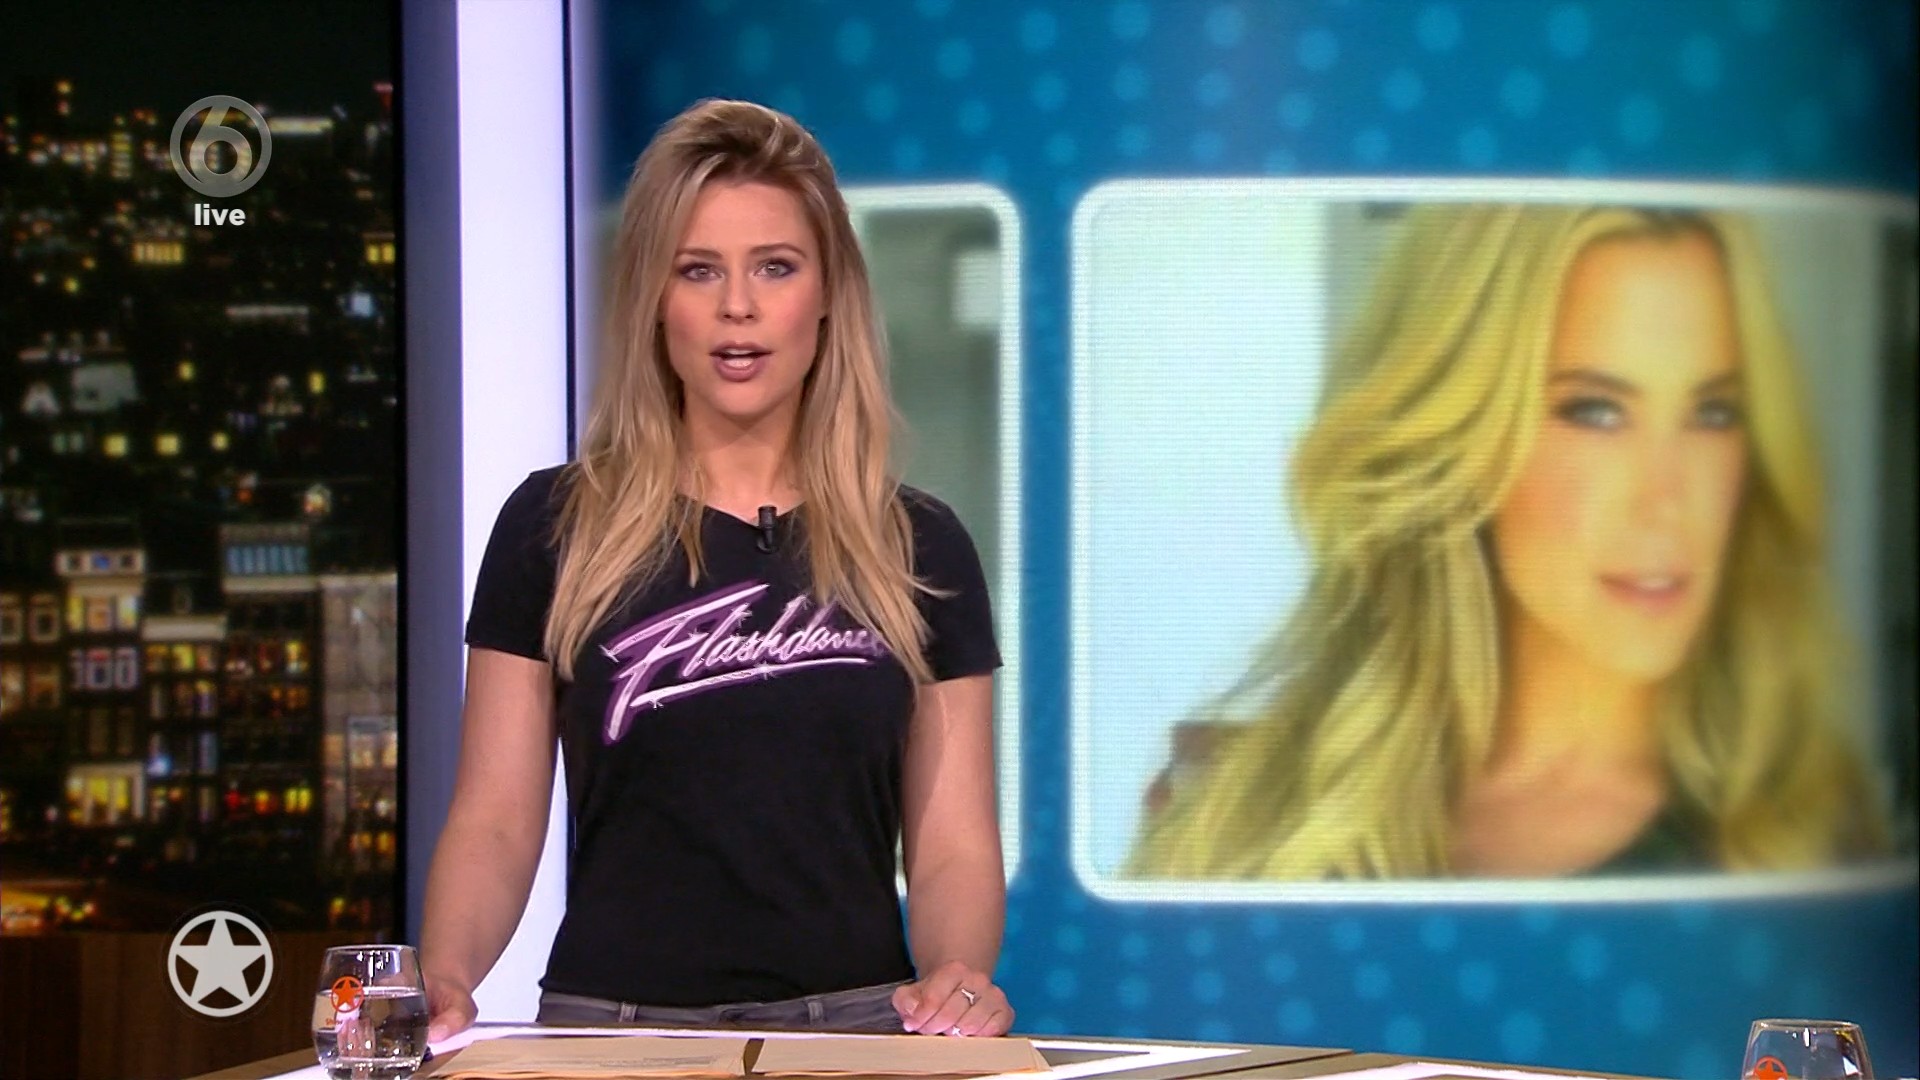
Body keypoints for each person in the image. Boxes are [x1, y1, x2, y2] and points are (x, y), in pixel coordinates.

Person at [420, 99, 1011, 1038]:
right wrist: (447, 975)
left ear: (828, 292)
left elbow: (953, 845)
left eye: (775, 266)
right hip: (611, 1034)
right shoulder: (554, 526)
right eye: (699, 270)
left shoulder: (920, 548)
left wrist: (955, 979)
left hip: (858, 1032)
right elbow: (494, 819)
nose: (739, 305)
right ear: (655, 299)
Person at [1127, 203, 1890, 880]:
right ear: (1461, 430)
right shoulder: (1234, 818)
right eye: (1594, 411)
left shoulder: (1807, 830)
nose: (1668, 501)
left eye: (1714, 413)